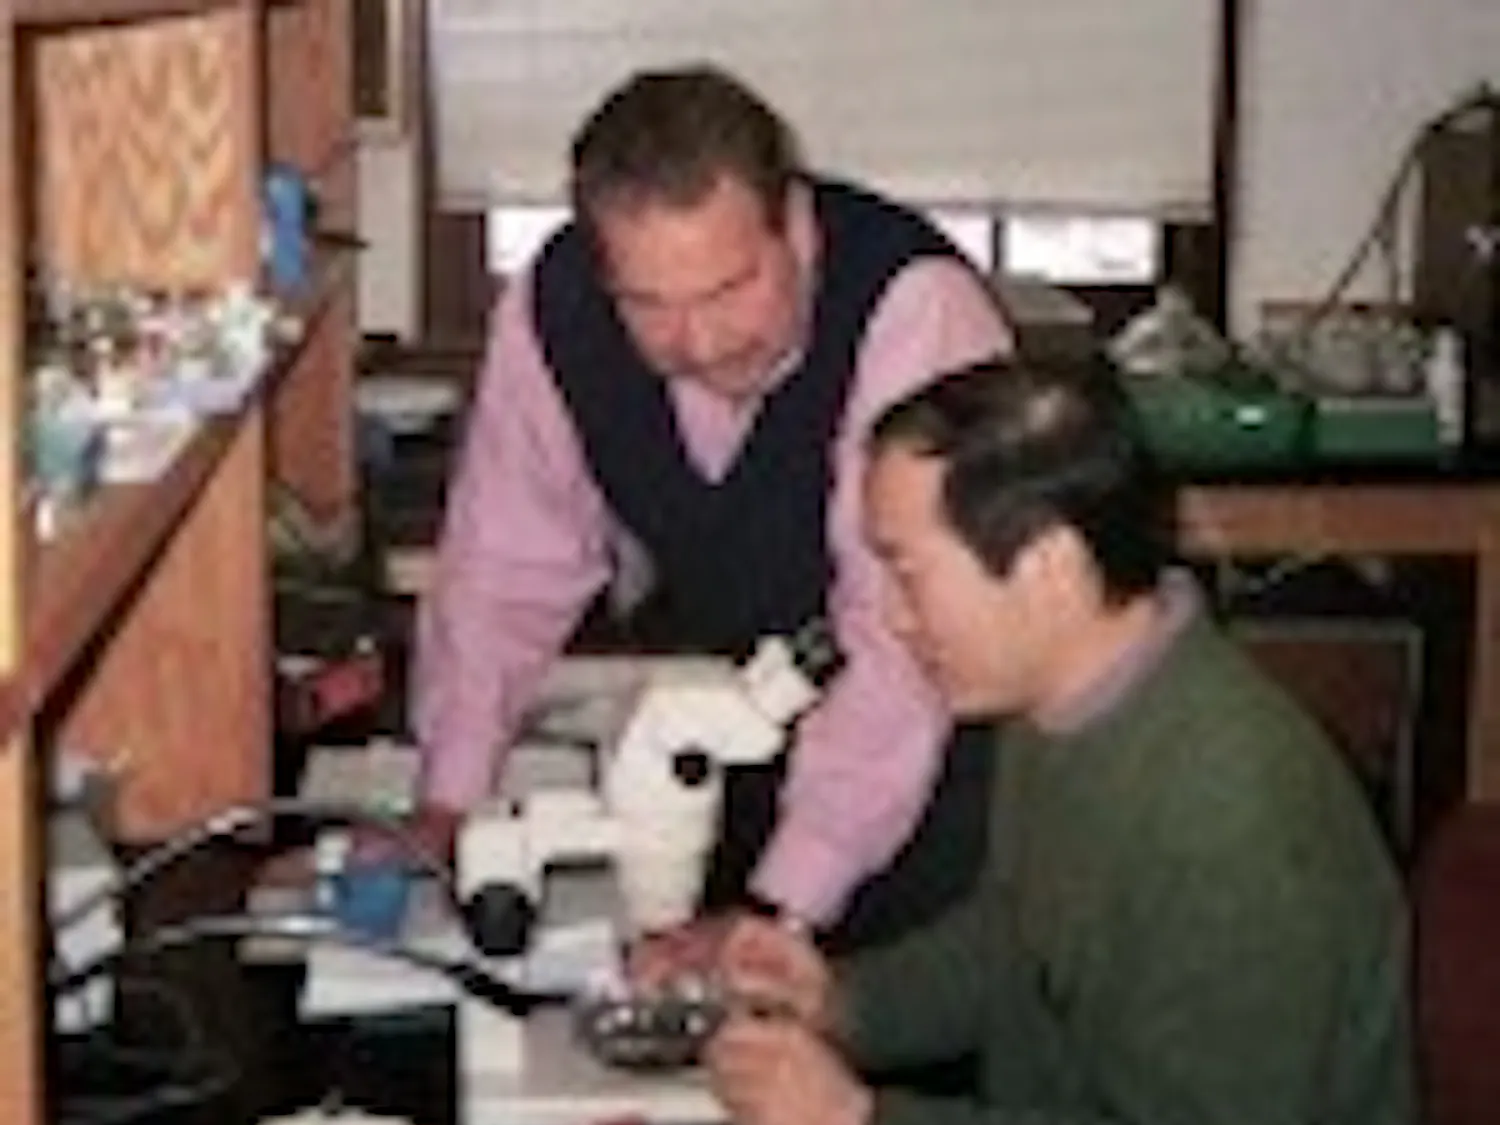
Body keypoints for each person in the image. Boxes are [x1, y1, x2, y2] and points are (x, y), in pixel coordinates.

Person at [704, 354, 1414, 1125]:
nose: (894, 619)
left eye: (910, 575)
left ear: (1049, 568)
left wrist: (858, 1117)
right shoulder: (1064, 703)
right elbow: (1016, 945)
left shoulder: (1235, 817)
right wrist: (840, 1000)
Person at [411, 63, 1013, 949]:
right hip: (746, 751)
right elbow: (504, 570)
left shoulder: (914, 312)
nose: (696, 342)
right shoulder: (555, 306)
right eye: (648, 305)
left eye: (729, 290)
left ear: (791, 219)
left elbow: (897, 641)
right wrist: (448, 801)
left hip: (934, 773)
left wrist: (782, 905)